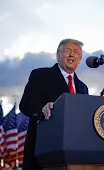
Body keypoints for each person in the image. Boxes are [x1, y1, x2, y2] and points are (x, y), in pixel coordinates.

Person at [19, 38, 89, 170]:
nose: (71, 54)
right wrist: (42, 108)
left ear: (79, 59)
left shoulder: (83, 88)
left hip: (74, 155)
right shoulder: (41, 75)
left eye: (76, 52)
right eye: (68, 50)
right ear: (58, 55)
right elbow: (25, 104)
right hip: (43, 153)